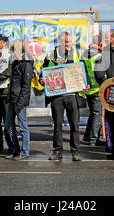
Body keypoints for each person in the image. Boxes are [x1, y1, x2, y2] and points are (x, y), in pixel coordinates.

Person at [40, 31, 89, 161]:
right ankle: (57, 151)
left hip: (72, 95)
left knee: (75, 125)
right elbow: (43, 73)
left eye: (70, 42)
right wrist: (42, 80)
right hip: (57, 96)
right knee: (58, 125)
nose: (69, 44)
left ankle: (75, 152)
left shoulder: (77, 54)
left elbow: (84, 72)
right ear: (60, 42)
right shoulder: (51, 55)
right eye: (67, 42)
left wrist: (87, 83)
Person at [4, 39, 34, 160]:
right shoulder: (17, 61)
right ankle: (16, 150)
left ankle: (24, 152)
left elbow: (26, 85)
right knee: (8, 126)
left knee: (22, 126)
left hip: (18, 98)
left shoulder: (25, 62)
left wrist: (21, 101)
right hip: (13, 97)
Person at [80, 34, 105, 146]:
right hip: (97, 90)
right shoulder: (98, 56)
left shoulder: (85, 54)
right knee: (97, 114)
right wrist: (106, 82)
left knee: (93, 114)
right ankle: (94, 139)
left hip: (88, 89)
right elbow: (99, 75)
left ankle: (87, 136)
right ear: (100, 44)